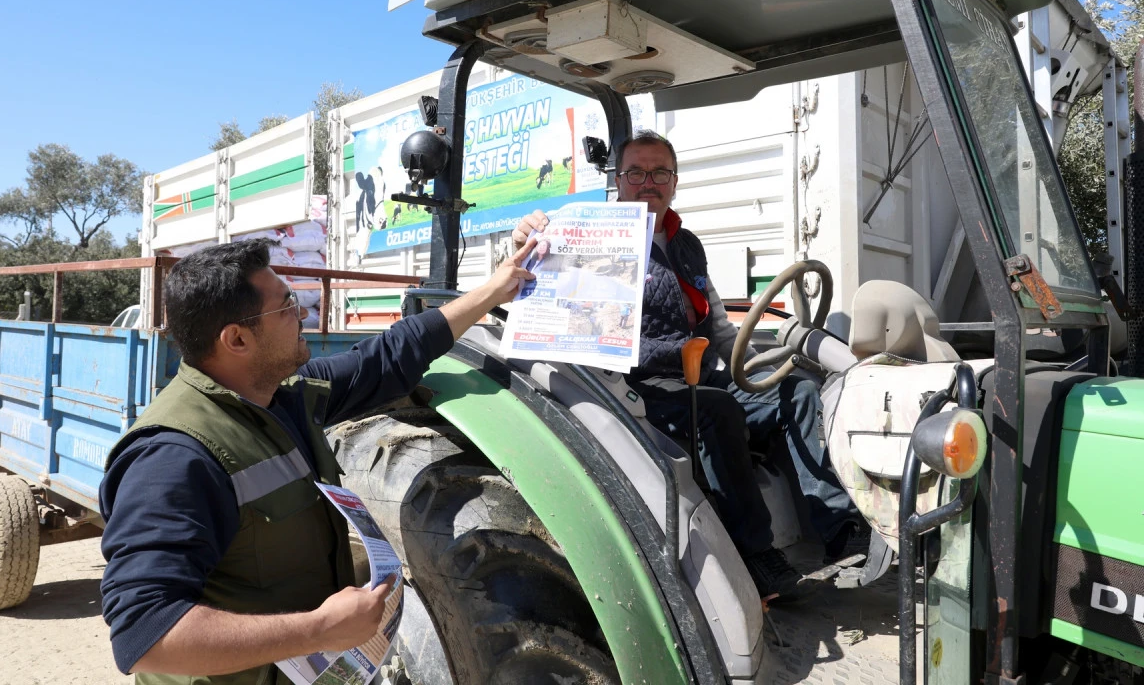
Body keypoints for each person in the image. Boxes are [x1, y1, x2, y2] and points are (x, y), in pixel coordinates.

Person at [100, 238, 537, 684]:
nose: (303, 313)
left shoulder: (281, 396)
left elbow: (386, 358)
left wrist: (495, 288)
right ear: (237, 338)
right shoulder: (174, 457)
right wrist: (321, 629)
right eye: (287, 305)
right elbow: (145, 635)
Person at [513, 130, 864, 601]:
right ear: (619, 180)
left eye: (660, 172)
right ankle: (755, 556)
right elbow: (536, 282)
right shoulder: (590, 239)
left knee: (797, 392)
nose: (647, 182)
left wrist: (756, 365)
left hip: (700, 369)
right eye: (635, 172)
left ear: (674, 181)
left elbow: (717, 325)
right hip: (632, 384)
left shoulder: (687, 243)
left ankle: (839, 528)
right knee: (718, 411)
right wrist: (523, 239)